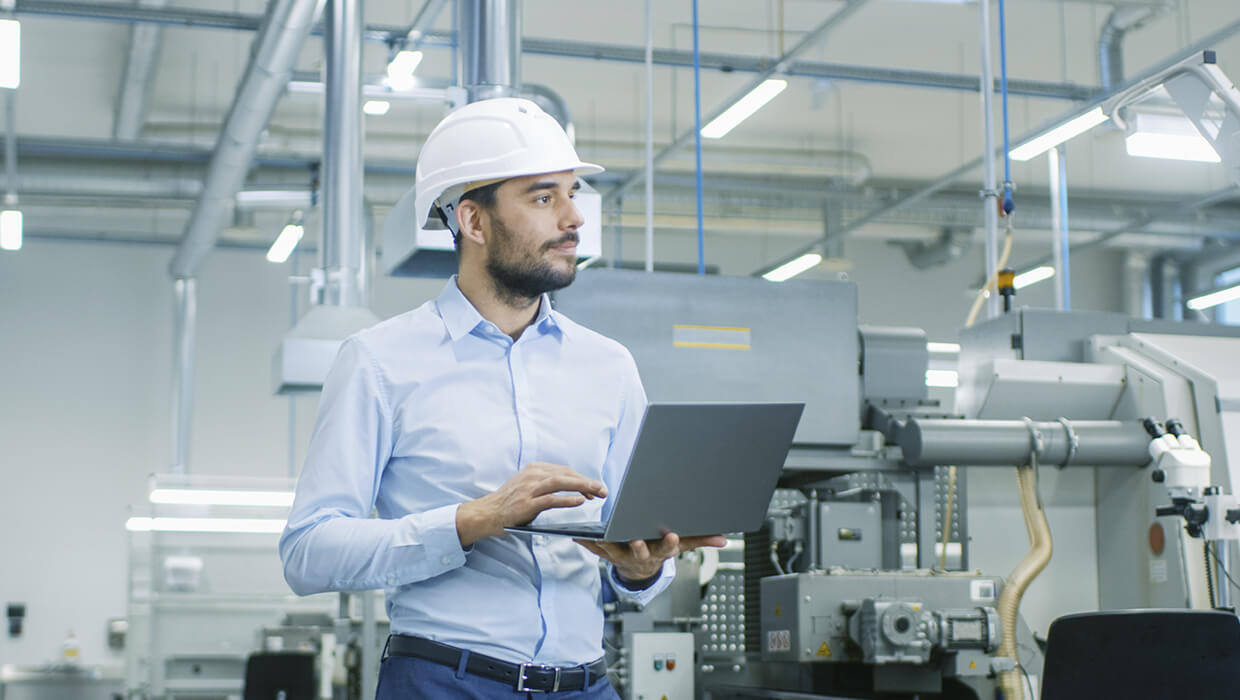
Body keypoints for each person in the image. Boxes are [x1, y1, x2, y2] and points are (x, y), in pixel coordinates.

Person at [279, 97, 725, 699]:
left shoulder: (609, 366)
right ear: (473, 221)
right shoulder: (379, 361)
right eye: (543, 198)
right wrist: (474, 520)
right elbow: (308, 552)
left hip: (586, 685)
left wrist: (642, 569)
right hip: (444, 683)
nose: (574, 218)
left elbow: (633, 544)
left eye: (572, 194)